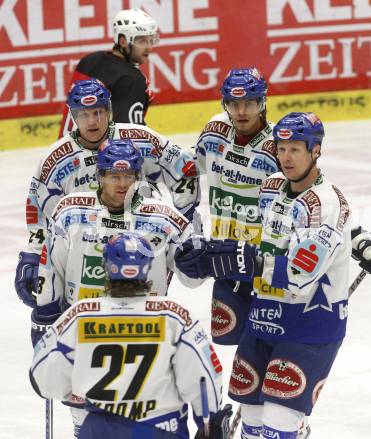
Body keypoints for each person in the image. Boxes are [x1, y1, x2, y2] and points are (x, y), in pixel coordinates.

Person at [176, 112, 371, 438]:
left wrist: (239, 261)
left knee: (278, 425)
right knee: (251, 421)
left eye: (295, 149)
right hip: (263, 317)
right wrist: (210, 256)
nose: (285, 157)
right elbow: (251, 242)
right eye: (281, 149)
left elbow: (298, 274)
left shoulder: (326, 203)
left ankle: (296, 428)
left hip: (309, 328)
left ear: (316, 150)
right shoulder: (270, 188)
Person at [194, 67, 371, 346]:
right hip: (227, 259)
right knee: (231, 347)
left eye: (249, 103)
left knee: (269, 347)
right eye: (234, 104)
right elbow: (191, 169)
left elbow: (317, 200)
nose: (241, 112)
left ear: (263, 103)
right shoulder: (215, 132)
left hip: (271, 264)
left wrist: (358, 238)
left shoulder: (280, 145)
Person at [30, 138, 203, 438]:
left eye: (128, 176)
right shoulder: (70, 211)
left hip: (145, 336)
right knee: (85, 420)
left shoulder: (163, 218)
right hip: (87, 334)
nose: (122, 183)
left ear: (138, 176)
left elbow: (193, 278)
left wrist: (196, 259)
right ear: (100, 175)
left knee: (137, 417)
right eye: (114, 176)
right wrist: (44, 312)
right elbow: (51, 268)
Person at [15, 78, 199, 309]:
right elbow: (39, 208)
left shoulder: (140, 139)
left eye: (98, 112)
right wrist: (35, 252)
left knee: (145, 310)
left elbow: (184, 168)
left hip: (140, 243)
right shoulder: (56, 159)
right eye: (84, 114)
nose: (92, 121)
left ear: (109, 111)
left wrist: (185, 222)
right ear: (73, 116)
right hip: (86, 241)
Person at [29, 232, 232, 439]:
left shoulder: (81, 314)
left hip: (99, 429)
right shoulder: (174, 316)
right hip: (161, 428)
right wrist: (208, 424)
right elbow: (204, 375)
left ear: (107, 266)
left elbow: (42, 375)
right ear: (147, 267)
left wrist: (69, 390)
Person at [59, 8, 159, 136]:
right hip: (102, 155)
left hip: (64, 151)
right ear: (123, 41)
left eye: (151, 40)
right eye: (142, 41)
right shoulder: (131, 78)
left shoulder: (88, 61)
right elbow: (130, 137)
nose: (149, 48)